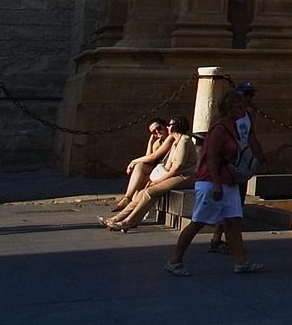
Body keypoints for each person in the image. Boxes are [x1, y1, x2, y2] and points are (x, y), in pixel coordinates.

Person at [162, 90, 263, 275]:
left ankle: (241, 261)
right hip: (212, 182)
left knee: (233, 221)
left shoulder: (233, 126)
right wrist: (216, 185)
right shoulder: (219, 129)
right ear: (230, 108)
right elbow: (212, 158)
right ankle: (174, 260)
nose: (243, 109)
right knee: (198, 222)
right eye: (239, 106)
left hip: (229, 182)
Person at [104, 118, 195, 230]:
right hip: (173, 175)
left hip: (185, 177)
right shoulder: (176, 142)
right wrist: (150, 143)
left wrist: (157, 181)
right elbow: (164, 165)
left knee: (150, 192)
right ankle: (117, 218)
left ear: (176, 126)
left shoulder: (184, 141)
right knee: (143, 192)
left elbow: (177, 168)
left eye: (169, 125)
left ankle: (129, 221)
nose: (167, 127)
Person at [209, 81, 266, 252]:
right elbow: (212, 150)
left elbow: (251, 137)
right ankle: (223, 240)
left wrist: (261, 158)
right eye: (245, 95)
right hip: (227, 165)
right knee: (227, 208)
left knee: (235, 205)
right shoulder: (222, 121)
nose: (249, 98)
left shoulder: (248, 116)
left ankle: (222, 240)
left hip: (240, 164)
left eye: (251, 95)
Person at [110, 121, 170, 215]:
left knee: (140, 169)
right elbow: (149, 160)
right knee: (139, 181)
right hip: (158, 170)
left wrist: (133, 161)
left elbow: (152, 157)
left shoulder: (170, 139)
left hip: (168, 171)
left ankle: (128, 206)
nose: (157, 132)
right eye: (154, 132)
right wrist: (150, 143)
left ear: (165, 126)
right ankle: (130, 213)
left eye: (159, 128)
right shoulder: (158, 142)